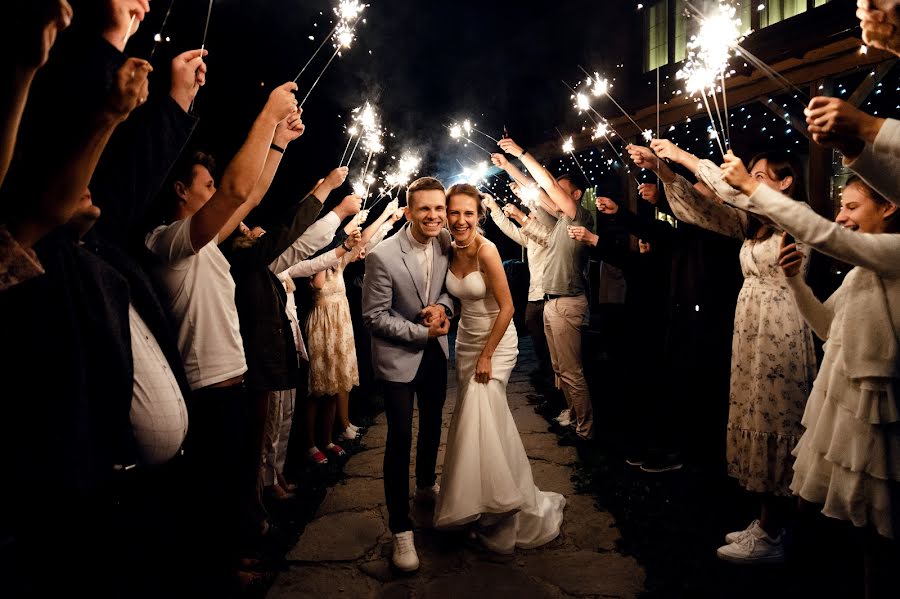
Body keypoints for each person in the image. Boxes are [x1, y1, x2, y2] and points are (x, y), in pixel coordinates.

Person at [630, 141, 818, 564]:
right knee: (755, 413)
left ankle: (778, 531)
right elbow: (701, 210)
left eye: (762, 177)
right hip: (751, 330)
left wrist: (680, 155)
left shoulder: (796, 216)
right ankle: (767, 519)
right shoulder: (753, 224)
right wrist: (664, 171)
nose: (750, 183)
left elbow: (733, 190)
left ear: (787, 182)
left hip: (781, 328)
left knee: (779, 418)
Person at [721, 154, 899, 599]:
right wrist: (796, 281)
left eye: (852, 207)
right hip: (850, 409)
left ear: (890, 207)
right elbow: (823, 326)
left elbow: (826, 235)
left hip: (882, 415)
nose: (841, 216)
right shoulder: (861, 273)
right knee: (867, 536)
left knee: (883, 532)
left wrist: (751, 186)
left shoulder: (894, 256)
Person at [434, 184, 565, 554]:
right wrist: (445, 313)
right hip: (465, 342)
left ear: (480, 216)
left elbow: (507, 308)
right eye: (454, 212)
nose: (460, 220)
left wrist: (488, 355)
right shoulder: (448, 247)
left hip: (497, 342)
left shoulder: (486, 250)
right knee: (476, 420)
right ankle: (478, 502)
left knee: (483, 411)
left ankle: (503, 509)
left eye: (468, 213)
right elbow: (459, 301)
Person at [362, 176, 454, 572]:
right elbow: (373, 316)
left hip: (434, 354)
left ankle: (425, 488)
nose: (434, 216)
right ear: (408, 211)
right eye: (425, 209)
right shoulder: (381, 255)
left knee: (433, 423)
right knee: (400, 437)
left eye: (439, 208)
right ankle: (401, 532)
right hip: (399, 356)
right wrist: (421, 330)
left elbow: (452, 289)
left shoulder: (447, 242)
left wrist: (444, 309)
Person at [497, 137, 595, 447]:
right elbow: (538, 192)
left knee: (572, 371)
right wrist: (510, 168)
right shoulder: (559, 227)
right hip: (552, 302)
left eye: (561, 191)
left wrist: (521, 153)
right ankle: (571, 416)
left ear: (574, 196)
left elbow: (546, 185)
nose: (552, 194)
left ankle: (585, 431)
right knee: (560, 369)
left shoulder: (579, 217)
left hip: (567, 302)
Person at [306, 200, 405, 460]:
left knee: (336, 382)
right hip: (322, 324)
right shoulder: (317, 264)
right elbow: (317, 284)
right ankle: (310, 444)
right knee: (319, 388)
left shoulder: (340, 264)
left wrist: (386, 216)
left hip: (341, 323)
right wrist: (330, 254)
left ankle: (328, 439)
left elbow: (365, 240)